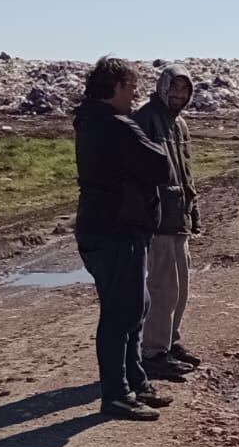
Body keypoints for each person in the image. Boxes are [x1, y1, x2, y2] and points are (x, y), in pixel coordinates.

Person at [73, 56, 176, 421]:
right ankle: (116, 393)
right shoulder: (114, 126)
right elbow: (161, 167)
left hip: (107, 228)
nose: (135, 96)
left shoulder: (91, 122)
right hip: (116, 230)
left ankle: (135, 380)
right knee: (122, 313)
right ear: (114, 87)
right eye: (131, 88)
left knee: (136, 306)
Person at [133, 64, 203, 381]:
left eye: (184, 90)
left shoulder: (180, 125)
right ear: (162, 87)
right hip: (158, 220)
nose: (179, 95)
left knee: (181, 288)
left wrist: (193, 209)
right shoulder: (144, 120)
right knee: (162, 289)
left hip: (179, 219)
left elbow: (186, 174)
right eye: (174, 88)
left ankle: (170, 342)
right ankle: (153, 352)